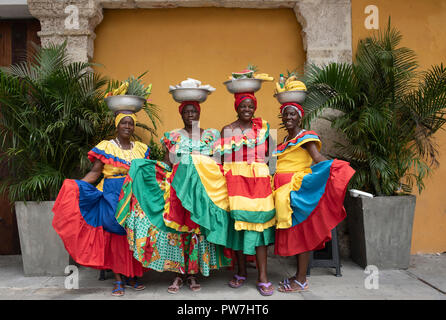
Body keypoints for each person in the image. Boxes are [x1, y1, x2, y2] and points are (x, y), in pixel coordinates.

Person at [115, 101, 231, 294]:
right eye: (186, 112)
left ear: (199, 112)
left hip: (202, 190)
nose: (190, 114)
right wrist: (149, 170)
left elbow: (218, 160)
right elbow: (168, 163)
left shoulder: (211, 136)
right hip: (178, 189)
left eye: (194, 111)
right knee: (179, 231)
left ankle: (193, 274)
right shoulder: (173, 137)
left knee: (196, 230)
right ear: (181, 115)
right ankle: (178, 274)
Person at [52, 112, 150, 296]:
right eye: (123, 123)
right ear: (117, 126)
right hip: (112, 194)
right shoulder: (106, 147)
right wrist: (76, 186)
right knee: (114, 233)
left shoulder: (141, 148)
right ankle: (119, 280)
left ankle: (133, 276)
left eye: (131, 123)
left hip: (134, 195)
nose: (127, 126)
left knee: (134, 232)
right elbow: (96, 173)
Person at [272, 103, 355, 292]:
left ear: (300, 118)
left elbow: (317, 158)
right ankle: (298, 276)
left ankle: (301, 280)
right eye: (286, 115)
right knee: (296, 232)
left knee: (302, 233)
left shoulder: (305, 137)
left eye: (293, 114)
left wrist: (334, 168)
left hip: (298, 189)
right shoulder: (284, 141)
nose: (289, 118)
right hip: (284, 192)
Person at [219, 92, 276, 296]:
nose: (247, 109)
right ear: (236, 107)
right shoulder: (227, 130)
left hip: (259, 181)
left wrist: (271, 177)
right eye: (243, 106)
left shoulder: (263, 128)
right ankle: (241, 271)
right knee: (238, 228)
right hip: (235, 181)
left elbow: (272, 158)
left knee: (260, 227)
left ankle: (263, 276)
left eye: (250, 106)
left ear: (255, 108)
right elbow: (220, 159)